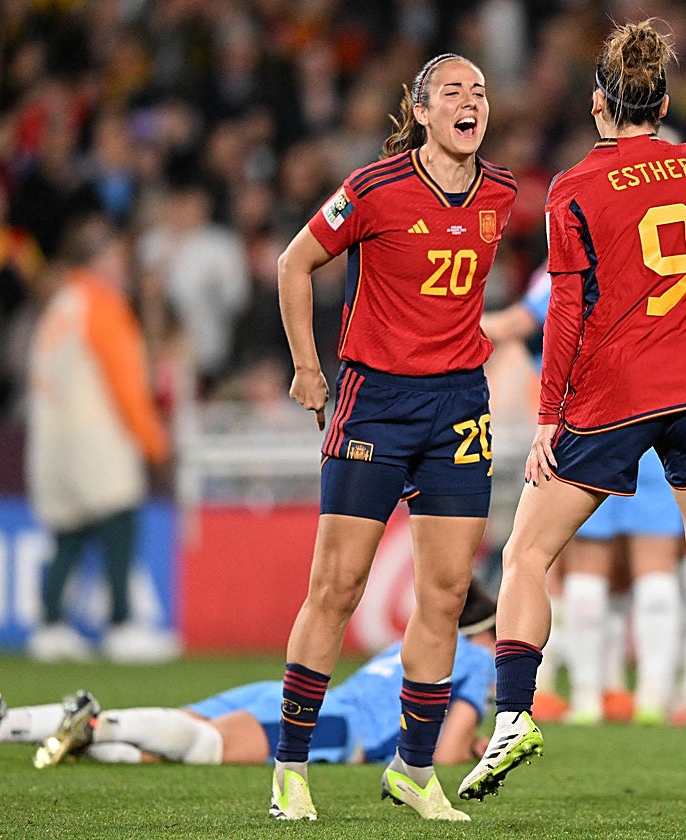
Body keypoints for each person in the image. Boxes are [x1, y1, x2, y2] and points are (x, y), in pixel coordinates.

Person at [459, 20, 686, 821]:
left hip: (617, 388)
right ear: (662, 99)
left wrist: (549, 415)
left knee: (526, 552)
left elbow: (563, 318)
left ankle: (514, 714)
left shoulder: (574, 187)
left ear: (598, 102)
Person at [272, 52, 516, 822]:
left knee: (446, 595)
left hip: (459, 408)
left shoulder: (502, 195)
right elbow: (294, 263)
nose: (469, 101)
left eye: (479, 91)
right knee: (335, 588)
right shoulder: (373, 189)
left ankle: (413, 769)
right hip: (374, 402)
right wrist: (309, 368)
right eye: (452, 91)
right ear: (420, 112)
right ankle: (290, 768)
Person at [483, 268, 686, 728]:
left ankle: (589, 699)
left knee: (577, 565)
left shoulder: (576, 260)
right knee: (668, 566)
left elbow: (519, 324)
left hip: (599, 416)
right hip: (678, 404)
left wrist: (443, 322)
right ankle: (656, 696)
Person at [0, 579, 499, 772]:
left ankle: (7, 723)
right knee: (203, 747)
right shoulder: (469, 658)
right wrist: (474, 744)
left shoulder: (407, 643)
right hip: (335, 725)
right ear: (481, 631)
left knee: (167, 740)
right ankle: (97, 723)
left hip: (290, 690)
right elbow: (444, 753)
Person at [24, 216, 177, 665]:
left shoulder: (60, 304)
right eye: (116, 259)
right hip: (96, 436)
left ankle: (50, 626)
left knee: (69, 532)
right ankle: (122, 624)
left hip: (52, 441)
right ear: (99, 261)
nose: (122, 268)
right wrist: (154, 443)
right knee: (117, 523)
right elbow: (128, 384)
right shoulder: (102, 306)